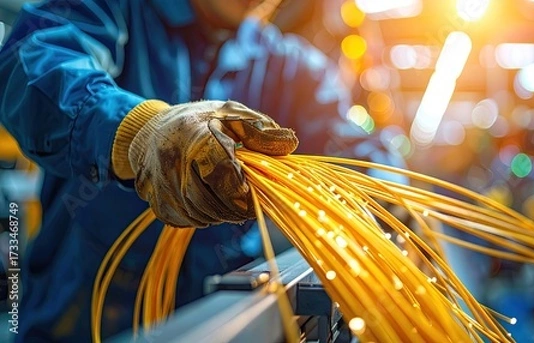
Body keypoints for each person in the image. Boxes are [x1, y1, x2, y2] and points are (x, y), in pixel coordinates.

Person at [0, 0, 406, 341]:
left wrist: (387, 189)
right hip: (77, 318)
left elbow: (357, 149)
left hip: (217, 318)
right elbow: (36, 61)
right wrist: (135, 132)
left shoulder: (289, 66)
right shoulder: (115, 8)